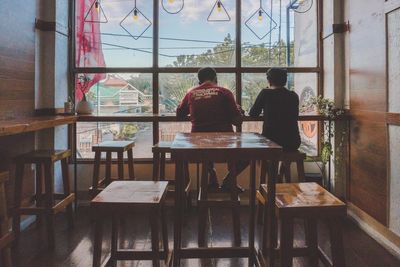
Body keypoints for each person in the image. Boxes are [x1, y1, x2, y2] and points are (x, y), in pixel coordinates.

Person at [176, 67, 246, 192]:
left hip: (198, 147)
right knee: (249, 155)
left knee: (205, 149)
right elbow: (237, 121)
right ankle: (229, 181)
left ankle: (212, 177)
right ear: (216, 79)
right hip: (225, 146)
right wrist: (238, 110)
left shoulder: (191, 93)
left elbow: (180, 114)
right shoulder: (225, 92)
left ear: (199, 82)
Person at [249, 68, 301, 151]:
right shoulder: (293, 95)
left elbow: (253, 113)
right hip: (293, 141)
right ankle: (284, 164)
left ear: (269, 80)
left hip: (271, 141)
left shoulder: (265, 93)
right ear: (285, 80)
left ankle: (270, 164)